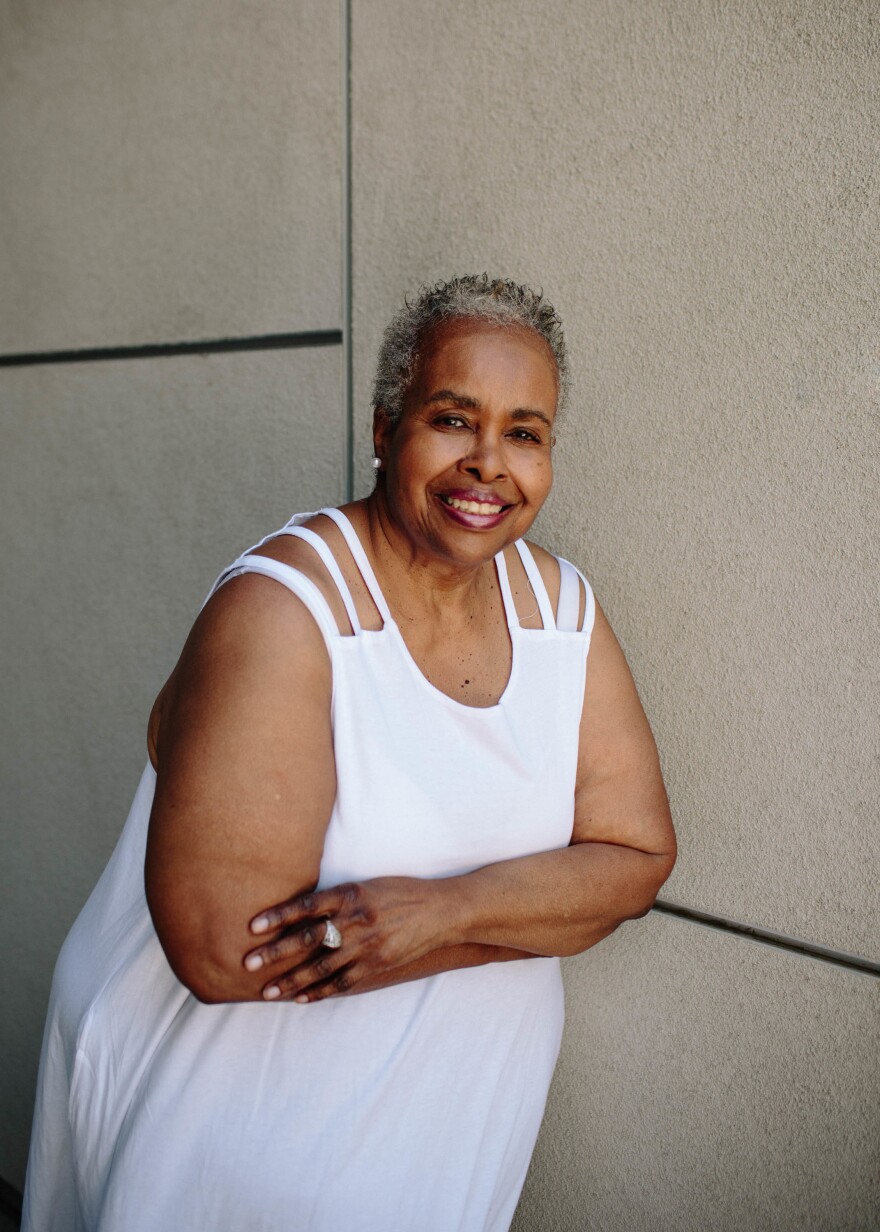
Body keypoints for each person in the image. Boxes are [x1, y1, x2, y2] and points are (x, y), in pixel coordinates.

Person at [23, 274, 676, 1232]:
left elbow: (636, 858)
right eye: (453, 419)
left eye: (525, 433)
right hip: (238, 1144)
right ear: (384, 428)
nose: (488, 464)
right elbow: (226, 954)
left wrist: (441, 913)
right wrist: (543, 913)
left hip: (447, 1134)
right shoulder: (285, 611)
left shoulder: (562, 613)